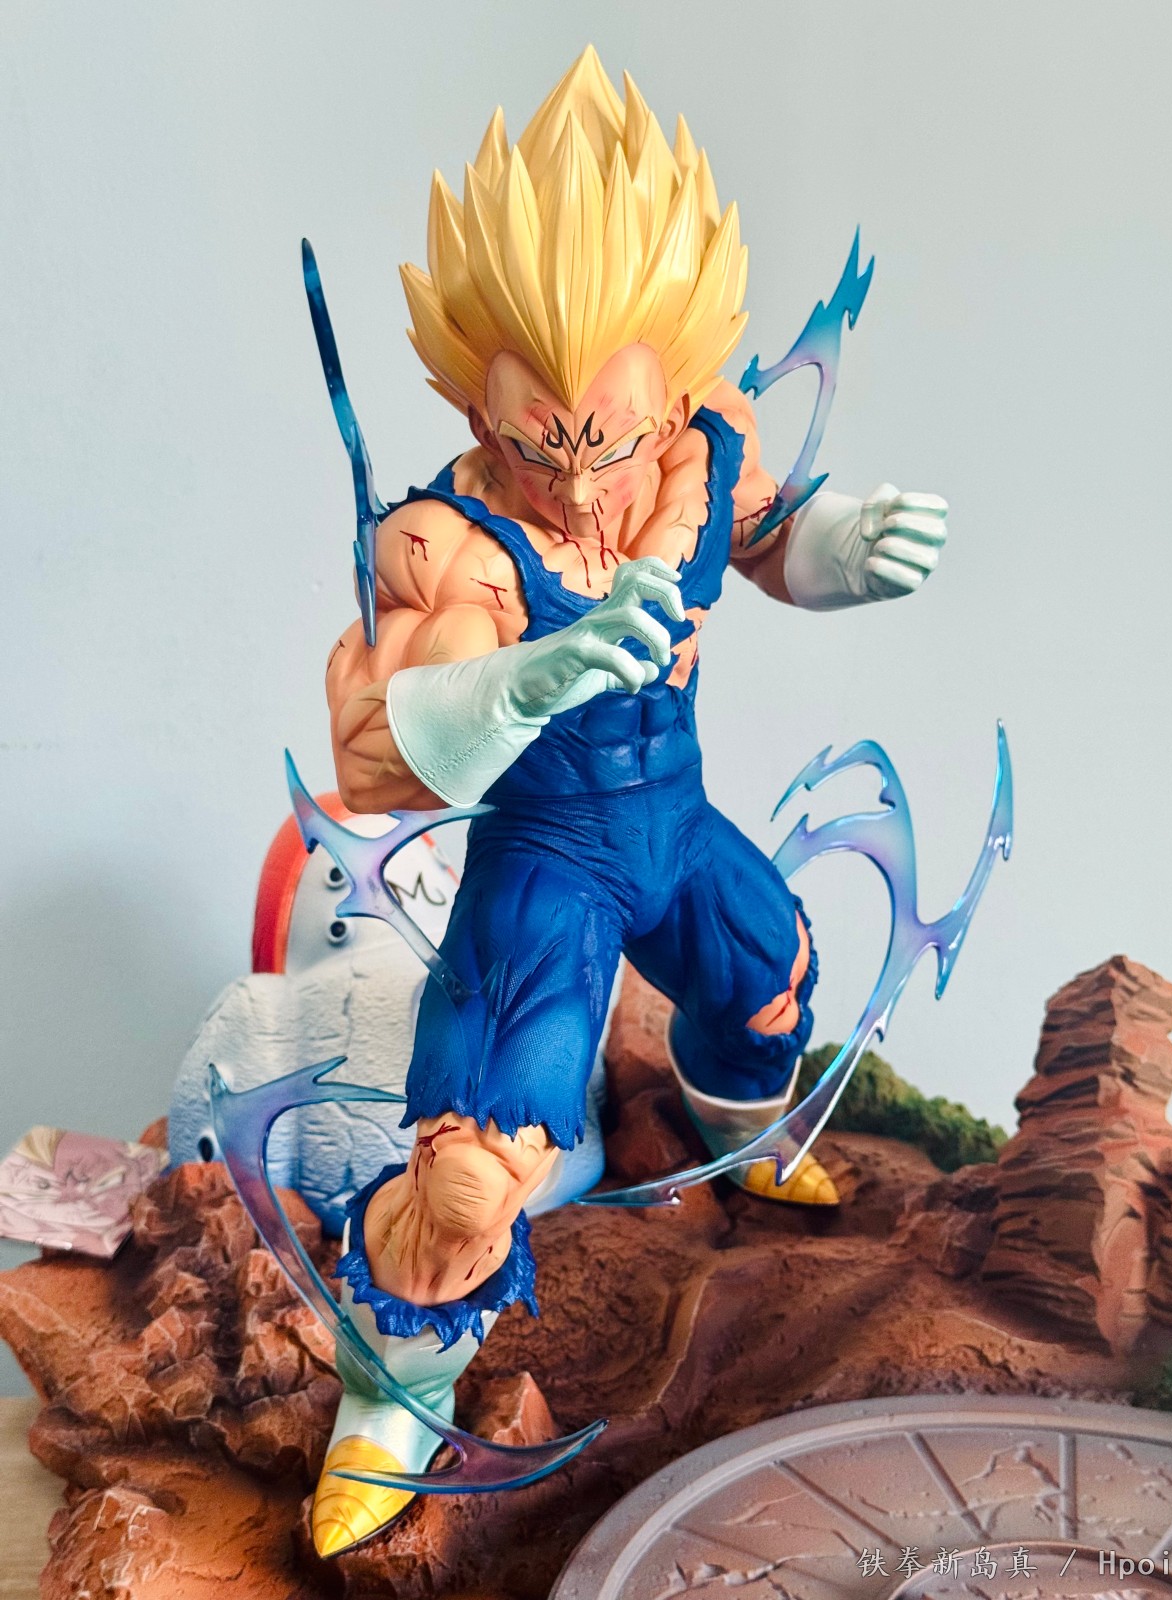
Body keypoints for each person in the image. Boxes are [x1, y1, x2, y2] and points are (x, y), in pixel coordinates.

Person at [311, 47, 949, 1556]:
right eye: (542, 443)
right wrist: (518, 684)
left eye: (614, 440)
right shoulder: (450, 543)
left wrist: (844, 550)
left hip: (677, 823)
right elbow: (380, 746)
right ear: (482, 398)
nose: (585, 487)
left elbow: (764, 533)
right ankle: (389, 1399)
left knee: (768, 982)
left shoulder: (700, 439)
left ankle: (740, 1137)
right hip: (545, 863)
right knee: (472, 1178)